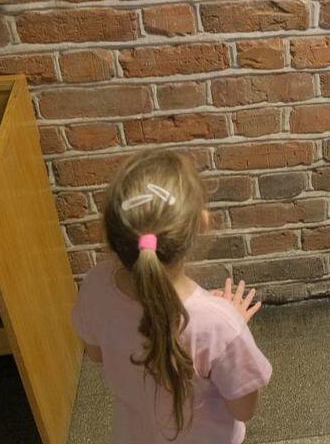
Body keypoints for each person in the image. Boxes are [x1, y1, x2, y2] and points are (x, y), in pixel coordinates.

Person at [72, 150, 271, 443]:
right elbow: (243, 409)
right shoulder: (220, 326)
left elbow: (96, 354)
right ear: (202, 223)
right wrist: (233, 322)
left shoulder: (95, 284)